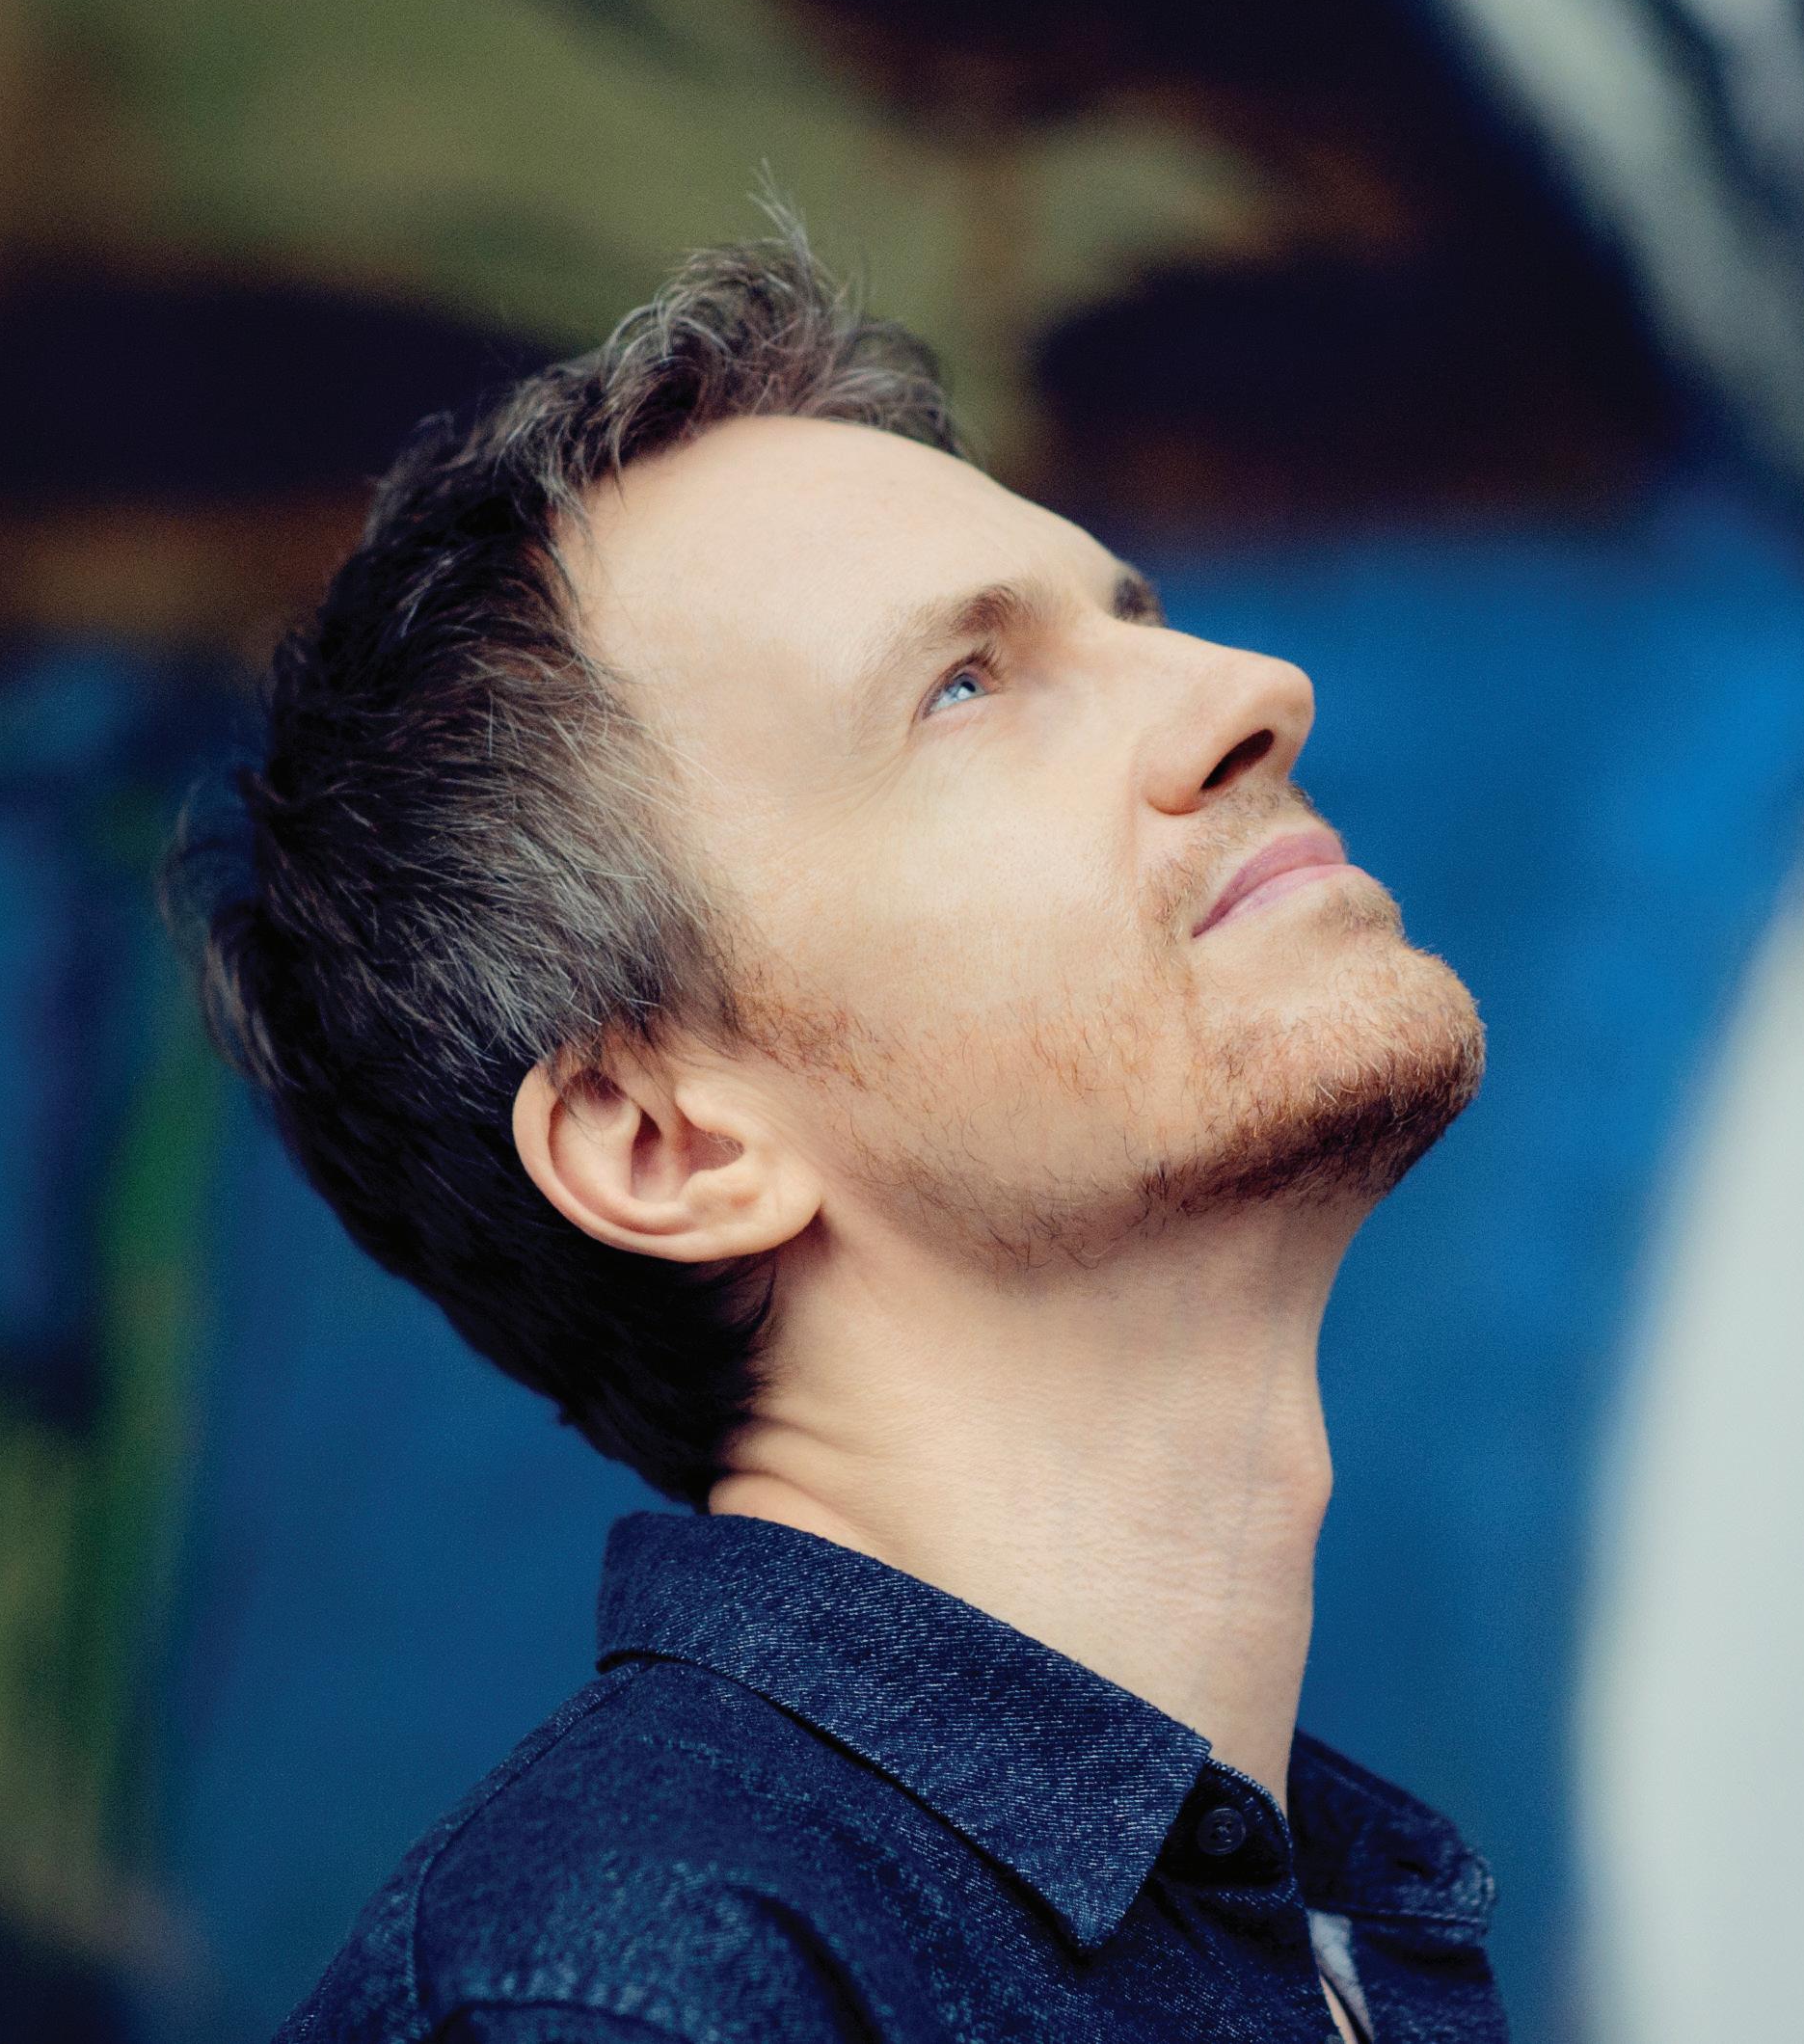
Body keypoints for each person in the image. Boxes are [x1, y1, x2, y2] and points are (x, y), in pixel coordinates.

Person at [171, 222, 1502, 2044]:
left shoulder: (1310, 1931)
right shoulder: (635, 2000)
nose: (1249, 688)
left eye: (1127, 616)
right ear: (667, 1142)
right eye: (962, 686)